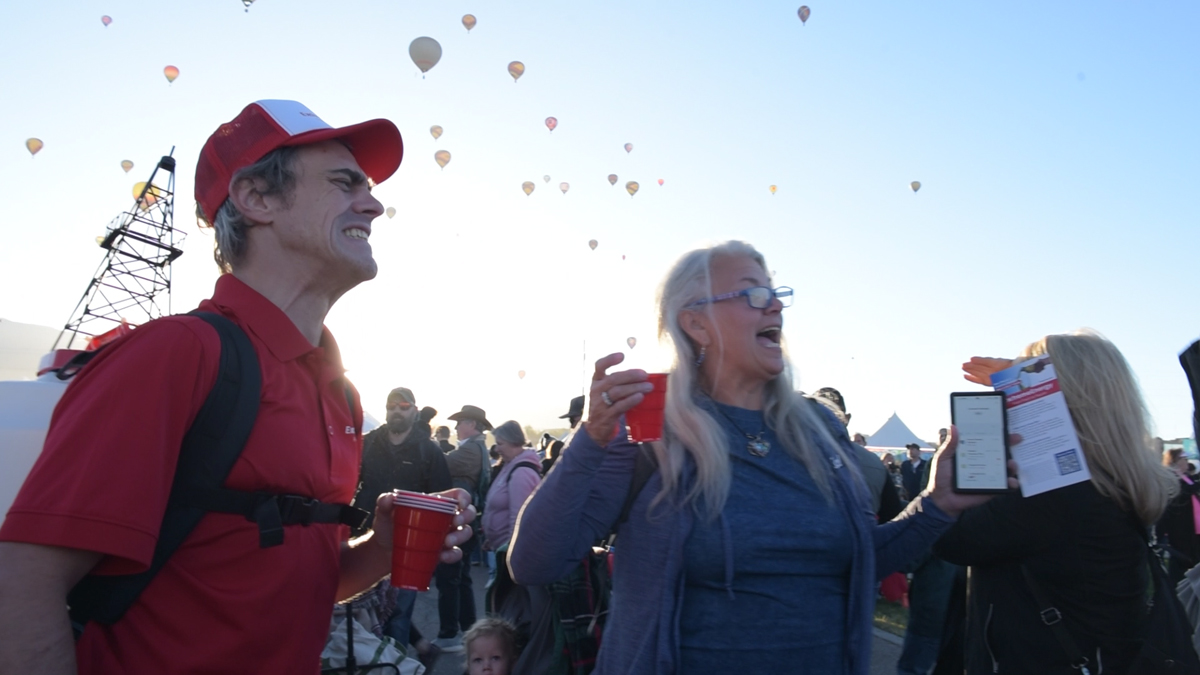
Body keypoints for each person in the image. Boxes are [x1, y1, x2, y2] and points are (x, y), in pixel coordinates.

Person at [0, 100, 473, 674]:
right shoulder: (177, 355)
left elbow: (287, 584)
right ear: (256, 199)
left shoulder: (340, 390)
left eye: (368, 188)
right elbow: (21, 586)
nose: (373, 204)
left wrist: (378, 548)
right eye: (345, 182)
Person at [507, 240, 1010, 675]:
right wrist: (589, 439)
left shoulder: (820, 430)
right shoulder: (651, 427)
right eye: (754, 293)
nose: (776, 308)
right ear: (696, 323)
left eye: (777, 294)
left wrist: (937, 503)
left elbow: (855, 565)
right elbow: (534, 561)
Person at [937, 332, 1179, 674]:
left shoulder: (1055, 493)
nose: (1015, 398)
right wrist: (1025, 377)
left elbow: (950, 539)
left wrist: (949, 473)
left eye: (1033, 385)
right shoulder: (1113, 479)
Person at [351, 386, 452, 667]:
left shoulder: (429, 452)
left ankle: (395, 666)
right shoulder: (367, 444)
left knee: (398, 616)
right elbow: (348, 486)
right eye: (391, 405)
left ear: (415, 411)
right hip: (364, 543)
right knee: (363, 615)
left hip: (408, 549)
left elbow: (442, 500)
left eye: (404, 406)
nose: (397, 410)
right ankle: (417, 649)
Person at [434, 405, 493, 651]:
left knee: (449, 578)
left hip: (460, 521)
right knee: (462, 578)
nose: (456, 427)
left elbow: (440, 465)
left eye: (460, 423)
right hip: (468, 519)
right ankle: (468, 631)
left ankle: (449, 634)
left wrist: (430, 447)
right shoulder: (477, 448)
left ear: (472, 424)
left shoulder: (470, 450)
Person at [1157, 447, 1200, 584]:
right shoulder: (1170, 478)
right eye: (1183, 459)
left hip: (1194, 527)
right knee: (1181, 563)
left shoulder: (1187, 477)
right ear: (1174, 461)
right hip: (1180, 528)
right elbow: (1183, 493)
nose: (1186, 461)